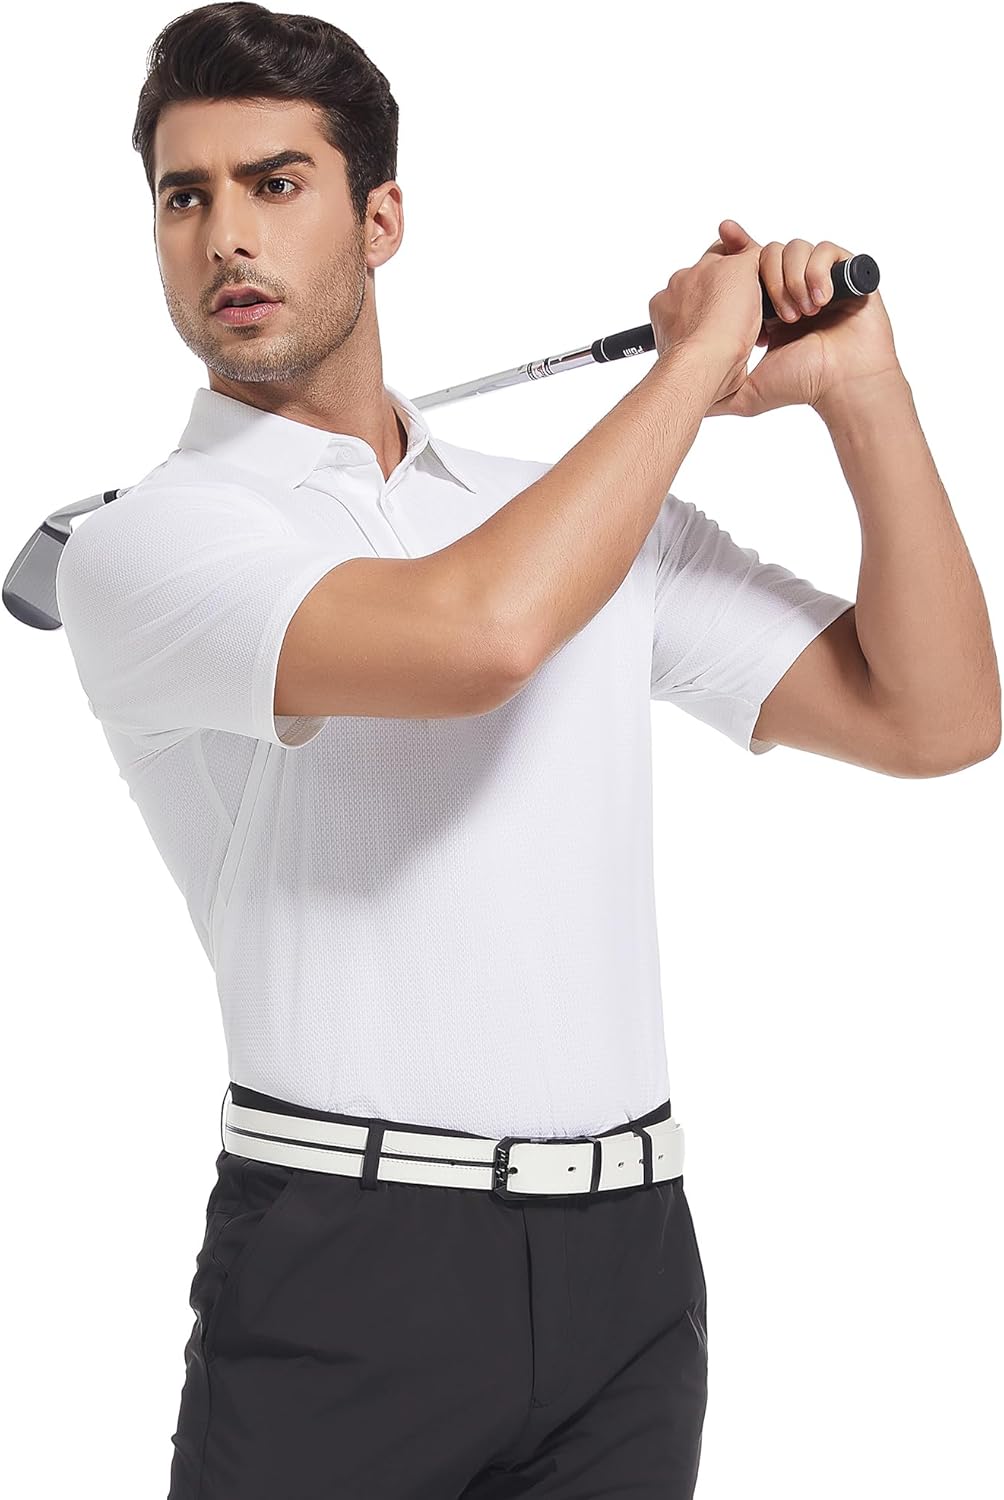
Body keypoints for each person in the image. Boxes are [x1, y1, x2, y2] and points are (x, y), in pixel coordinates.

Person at [53, 5, 1000, 1499]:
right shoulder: (146, 544)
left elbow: (935, 719)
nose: (226, 234)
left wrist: (860, 391)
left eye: (276, 183)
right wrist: (690, 365)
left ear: (381, 220)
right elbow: (475, 639)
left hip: (631, 1263)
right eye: (186, 196)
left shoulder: (574, 515)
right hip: (345, 1267)